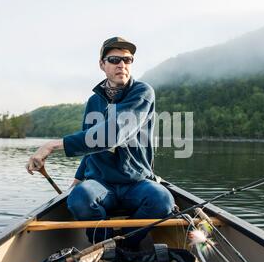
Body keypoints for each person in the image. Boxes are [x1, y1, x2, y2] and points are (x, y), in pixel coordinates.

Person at [26, 36, 175, 248]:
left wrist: (51, 145)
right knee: (79, 198)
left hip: (136, 182)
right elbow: (91, 144)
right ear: (102, 65)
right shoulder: (93, 102)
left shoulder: (142, 92)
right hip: (102, 184)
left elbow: (113, 134)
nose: (122, 64)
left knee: (163, 200)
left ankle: (127, 243)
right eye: (114, 59)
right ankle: (104, 246)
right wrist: (78, 180)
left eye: (128, 60)